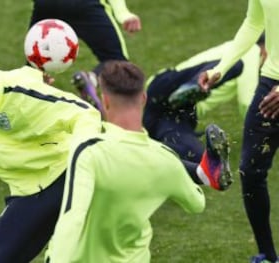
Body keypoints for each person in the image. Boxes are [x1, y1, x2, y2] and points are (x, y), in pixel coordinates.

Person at [45, 60, 233, 262]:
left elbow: (72, 218)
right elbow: (197, 204)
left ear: (105, 101)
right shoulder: (165, 158)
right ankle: (202, 172)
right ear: (143, 98)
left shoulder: (87, 150)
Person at [0, 65, 102, 262]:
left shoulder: (23, 96)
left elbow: (85, 113)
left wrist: (82, 165)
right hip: (27, 192)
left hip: (64, 177)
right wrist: (37, 74)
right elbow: (16, 73)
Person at [198, 1, 279, 262]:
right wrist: (222, 66)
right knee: (251, 172)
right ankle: (267, 256)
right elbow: (254, 22)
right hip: (270, 83)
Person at [143, 36, 265, 164]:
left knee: (200, 160)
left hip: (166, 112)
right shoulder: (250, 51)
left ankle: (157, 148)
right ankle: (194, 85)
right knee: (235, 66)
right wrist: (267, 129)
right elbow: (248, 103)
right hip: (169, 87)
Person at [28, 0, 142, 112]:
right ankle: (90, 80)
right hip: (83, 4)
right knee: (117, 62)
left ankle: (21, 98)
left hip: (46, 4)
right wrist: (123, 13)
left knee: (34, 60)